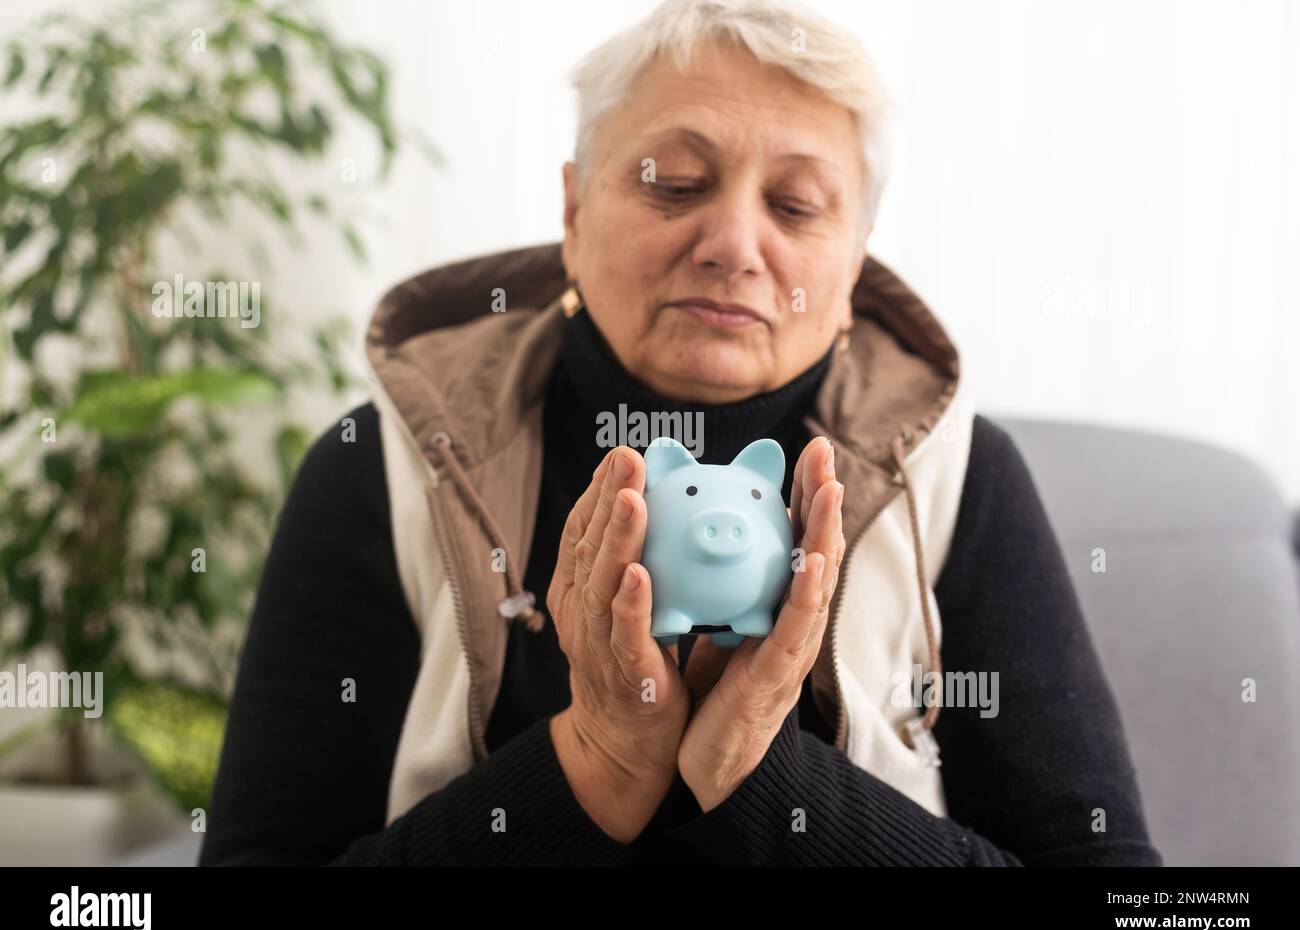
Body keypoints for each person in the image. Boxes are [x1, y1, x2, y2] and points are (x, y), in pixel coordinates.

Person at [200, 0, 1161, 866]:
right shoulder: (388, 466)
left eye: (794, 206)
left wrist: (768, 780)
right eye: (675, 184)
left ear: (854, 265)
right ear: (573, 212)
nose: (735, 246)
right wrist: (590, 765)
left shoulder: (956, 478)